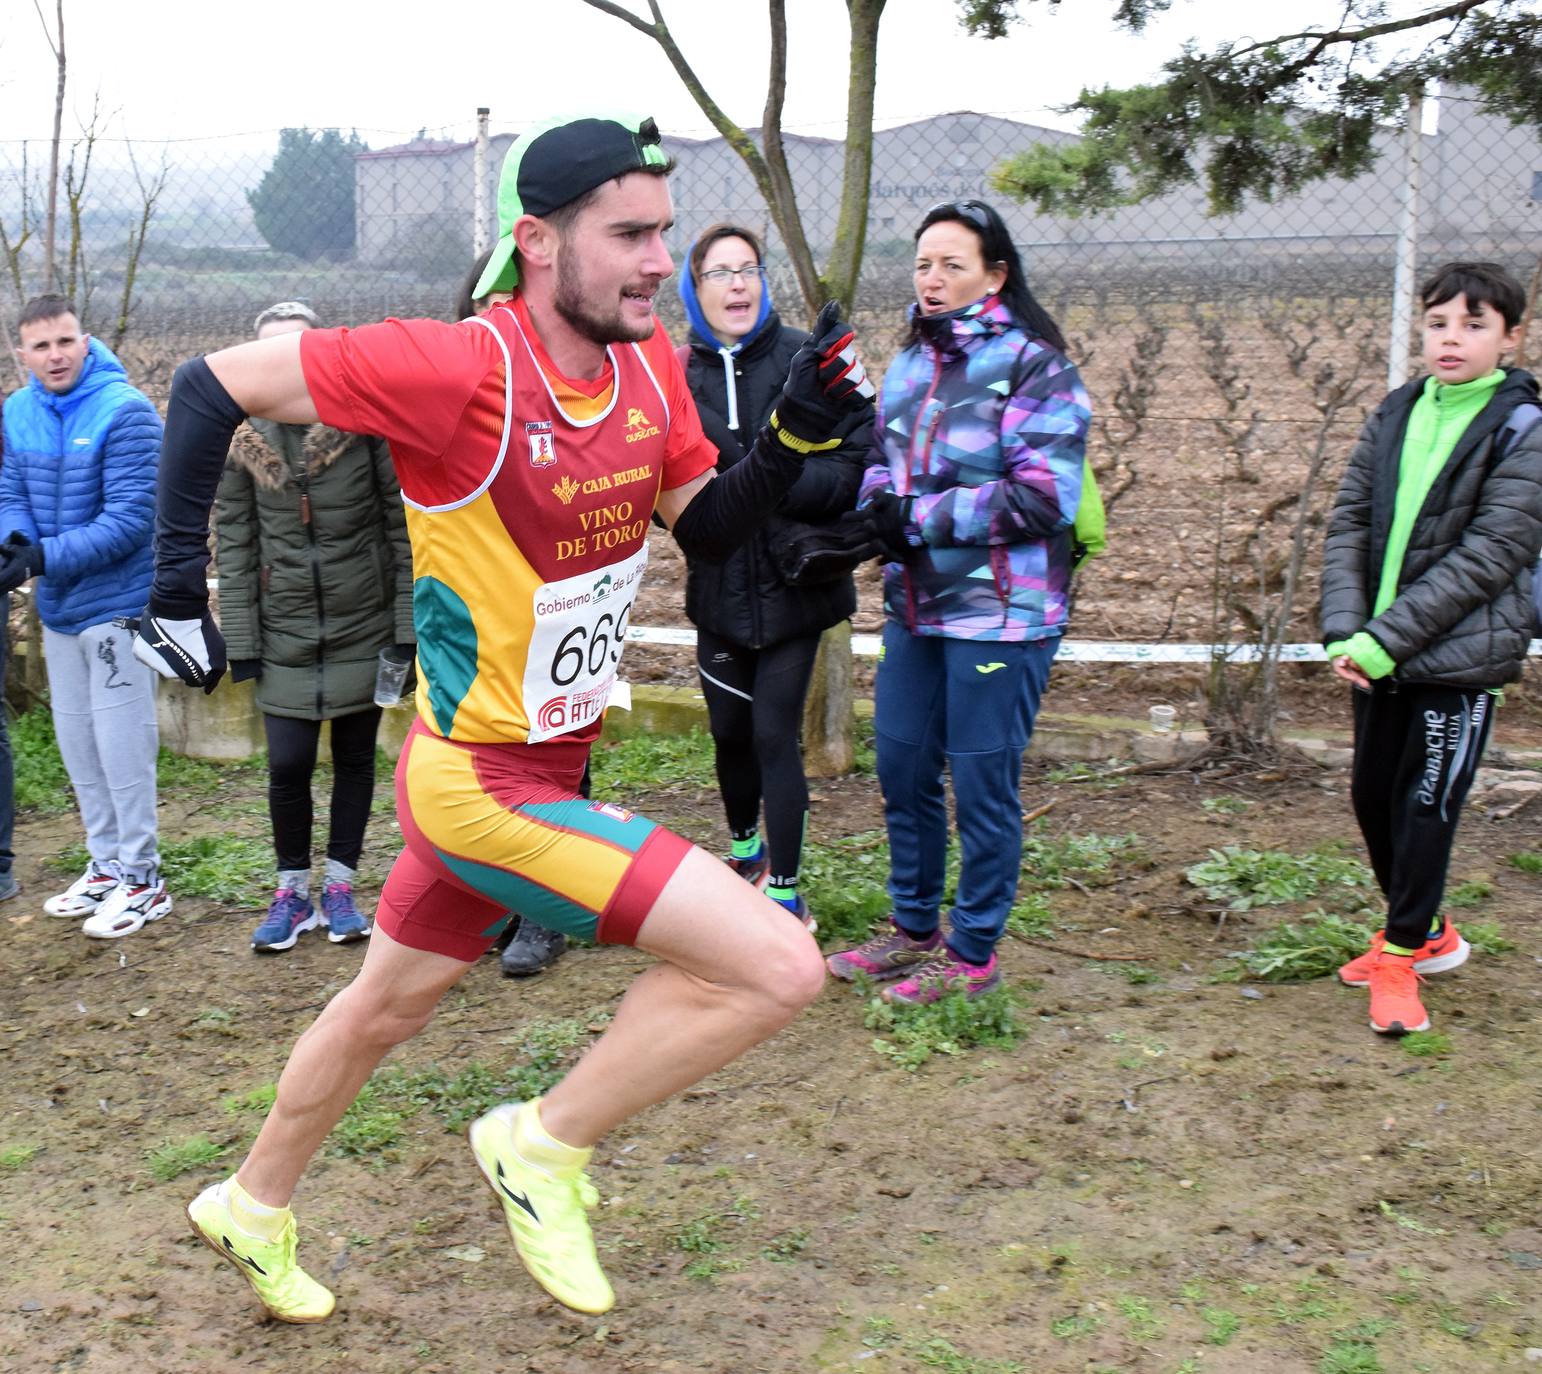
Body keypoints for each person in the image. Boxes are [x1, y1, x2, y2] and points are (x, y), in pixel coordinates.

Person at [131, 111, 868, 1326]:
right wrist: (173, 584)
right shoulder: (457, 367)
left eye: (664, 235)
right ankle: (541, 1146)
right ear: (537, 240)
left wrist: (788, 444)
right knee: (777, 966)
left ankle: (250, 1204)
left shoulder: (642, 371)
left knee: (385, 1007)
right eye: (628, 235)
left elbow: (712, 525)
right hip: (480, 785)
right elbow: (210, 384)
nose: (655, 263)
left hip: (539, 767)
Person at [823, 199, 1090, 1005]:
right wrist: (878, 511)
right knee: (901, 767)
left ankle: (973, 953)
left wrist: (922, 518)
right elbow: (880, 456)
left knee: (981, 786)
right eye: (923, 264)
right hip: (916, 607)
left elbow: (1047, 497)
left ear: (996, 274)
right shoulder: (909, 365)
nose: (932, 280)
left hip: (1003, 616)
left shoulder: (1037, 366)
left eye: (952, 265)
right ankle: (913, 931)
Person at [1322, 261, 1542, 1037]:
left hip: (1458, 661)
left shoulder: (1524, 428)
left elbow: (1490, 554)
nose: (1453, 338)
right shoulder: (1396, 411)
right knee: (1372, 797)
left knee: (1425, 807)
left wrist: (1385, 639)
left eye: (1475, 324)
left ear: (1510, 338)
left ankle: (1403, 950)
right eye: (1440, 322)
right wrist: (1347, 631)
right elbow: (1350, 520)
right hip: (1379, 655)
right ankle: (1432, 935)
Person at [677, 223, 869, 925]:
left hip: (796, 588)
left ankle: (785, 892)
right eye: (719, 272)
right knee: (728, 731)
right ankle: (746, 856)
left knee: (771, 736)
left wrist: (771, 481)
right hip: (718, 587)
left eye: (748, 269)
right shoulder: (672, 376)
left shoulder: (805, 361)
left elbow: (854, 461)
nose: (736, 282)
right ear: (694, 290)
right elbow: (662, 483)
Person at [216, 300, 415, 953]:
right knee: (289, 763)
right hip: (284, 632)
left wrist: (404, 629)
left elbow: (403, 530)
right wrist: (241, 641)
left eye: (297, 351)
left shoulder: (367, 427)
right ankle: (290, 892)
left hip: (363, 625)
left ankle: (340, 886)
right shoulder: (242, 443)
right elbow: (236, 543)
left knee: (356, 759)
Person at [0, 295, 168, 937]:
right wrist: (17, 543)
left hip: (119, 606)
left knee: (123, 743)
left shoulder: (124, 412)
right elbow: (12, 490)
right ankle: (105, 866)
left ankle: (144, 878)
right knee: (77, 740)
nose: (55, 355)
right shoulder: (18, 412)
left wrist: (41, 557)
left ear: (85, 340)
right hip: (60, 607)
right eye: (40, 346)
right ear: (22, 354)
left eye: (65, 341)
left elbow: (130, 522)